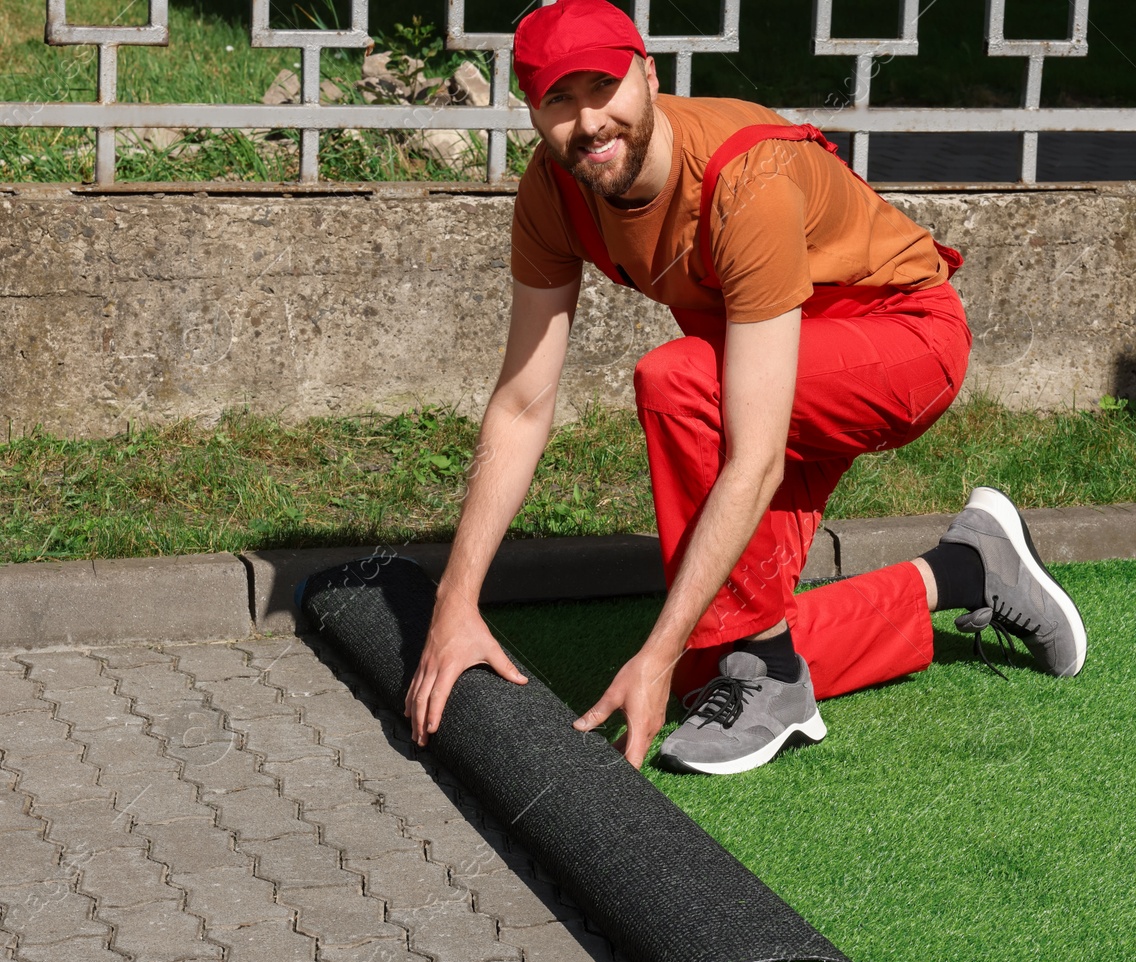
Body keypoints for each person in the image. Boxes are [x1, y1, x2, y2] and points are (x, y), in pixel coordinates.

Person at [402, 0, 1087, 775]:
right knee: (709, 664)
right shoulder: (555, 192)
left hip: (902, 340)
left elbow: (754, 455)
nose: (588, 121)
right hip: (769, 361)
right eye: (558, 99)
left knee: (677, 382)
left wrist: (653, 654)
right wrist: (454, 603)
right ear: (531, 111)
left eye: (603, 87)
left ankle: (772, 674)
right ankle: (964, 571)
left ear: (649, 74)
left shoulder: (743, 176)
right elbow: (522, 403)